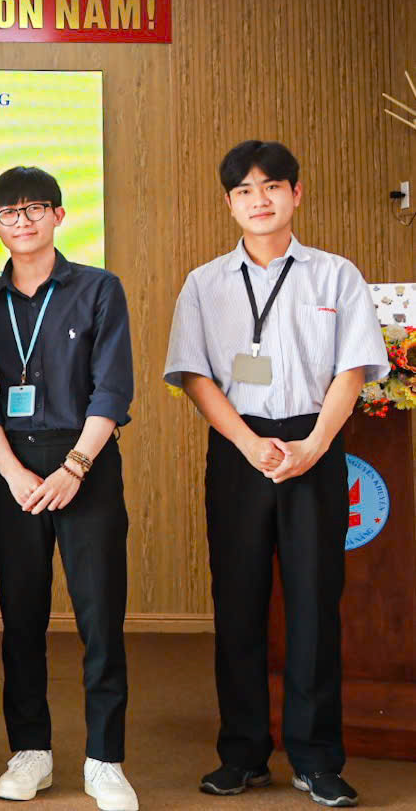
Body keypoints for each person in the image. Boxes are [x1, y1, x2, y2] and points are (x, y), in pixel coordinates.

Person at [164, 141, 385, 809]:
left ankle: (316, 759)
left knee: (315, 603)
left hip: (314, 445)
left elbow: (352, 368)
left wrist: (315, 446)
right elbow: (193, 374)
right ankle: (242, 753)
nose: (258, 200)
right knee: (237, 603)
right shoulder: (204, 283)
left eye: (270, 186)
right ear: (228, 202)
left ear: (296, 193)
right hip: (239, 449)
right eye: (243, 190)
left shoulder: (335, 275)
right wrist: (245, 441)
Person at [0, 166, 138, 811]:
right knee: (21, 616)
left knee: (100, 618)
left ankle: (105, 759)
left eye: (36, 208)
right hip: (15, 469)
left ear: (59, 215)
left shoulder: (98, 288)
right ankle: (30, 750)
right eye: (10, 212)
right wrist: (13, 472)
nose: (23, 220)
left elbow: (113, 389)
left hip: (86, 461)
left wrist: (75, 466)